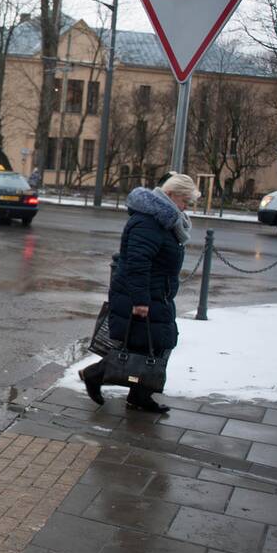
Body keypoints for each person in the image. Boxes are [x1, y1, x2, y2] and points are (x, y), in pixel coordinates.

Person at [82, 173, 200, 413]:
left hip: (158, 293)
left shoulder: (165, 220)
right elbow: (137, 262)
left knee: (152, 344)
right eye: (185, 200)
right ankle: (95, 375)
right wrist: (141, 301)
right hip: (143, 294)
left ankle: (139, 396)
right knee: (150, 344)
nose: (187, 207)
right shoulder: (149, 221)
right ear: (169, 195)